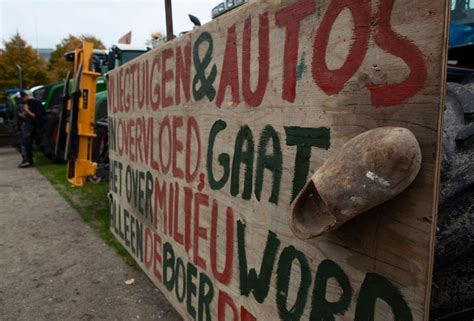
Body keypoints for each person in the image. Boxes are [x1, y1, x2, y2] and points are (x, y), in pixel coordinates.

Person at [18, 91, 45, 168]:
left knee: (26, 142)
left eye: (22, 98)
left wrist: (27, 111)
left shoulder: (35, 103)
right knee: (23, 142)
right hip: (28, 126)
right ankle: (27, 159)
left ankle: (28, 160)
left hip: (33, 127)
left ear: (26, 96)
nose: (22, 100)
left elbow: (38, 117)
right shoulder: (28, 103)